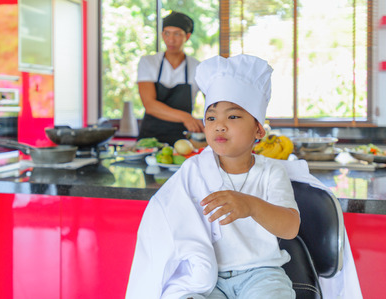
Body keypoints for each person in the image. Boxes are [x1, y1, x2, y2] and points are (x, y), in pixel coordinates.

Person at [126, 54, 300, 299]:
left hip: (262, 275)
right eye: (211, 118)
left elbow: (290, 228)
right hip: (207, 277)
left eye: (233, 116)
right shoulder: (195, 170)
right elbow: (164, 217)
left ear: (258, 129)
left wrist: (250, 205)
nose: (219, 125)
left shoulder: (271, 171)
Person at [137, 11, 204, 145]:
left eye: (177, 34)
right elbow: (149, 105)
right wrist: (186, 117)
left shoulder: (198, 67)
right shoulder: (148, 62)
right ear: (162, 35)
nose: (171, 40)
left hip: (183, 141)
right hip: (150, 140)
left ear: (188, 36)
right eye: (166, 33)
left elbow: (213, 103)